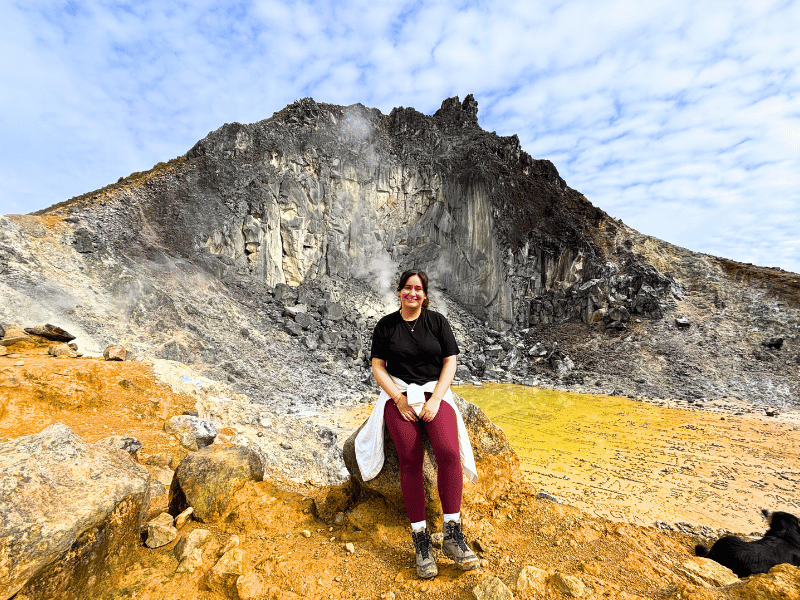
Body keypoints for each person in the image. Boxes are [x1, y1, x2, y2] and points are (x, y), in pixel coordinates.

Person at [355, 269, 479, 579]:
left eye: (418, 289)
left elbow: (450, 361)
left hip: (434, 393)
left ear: (424, 294)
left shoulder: (437, 322)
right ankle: (421, 541)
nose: (413, 293)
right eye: (408, 288)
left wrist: (436, 399)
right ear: (399, 292)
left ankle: (453, 533)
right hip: (400, 395)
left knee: (449, 452)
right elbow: (378, 367)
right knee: (410, 457)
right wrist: (398, 399)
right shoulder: (386, 326)